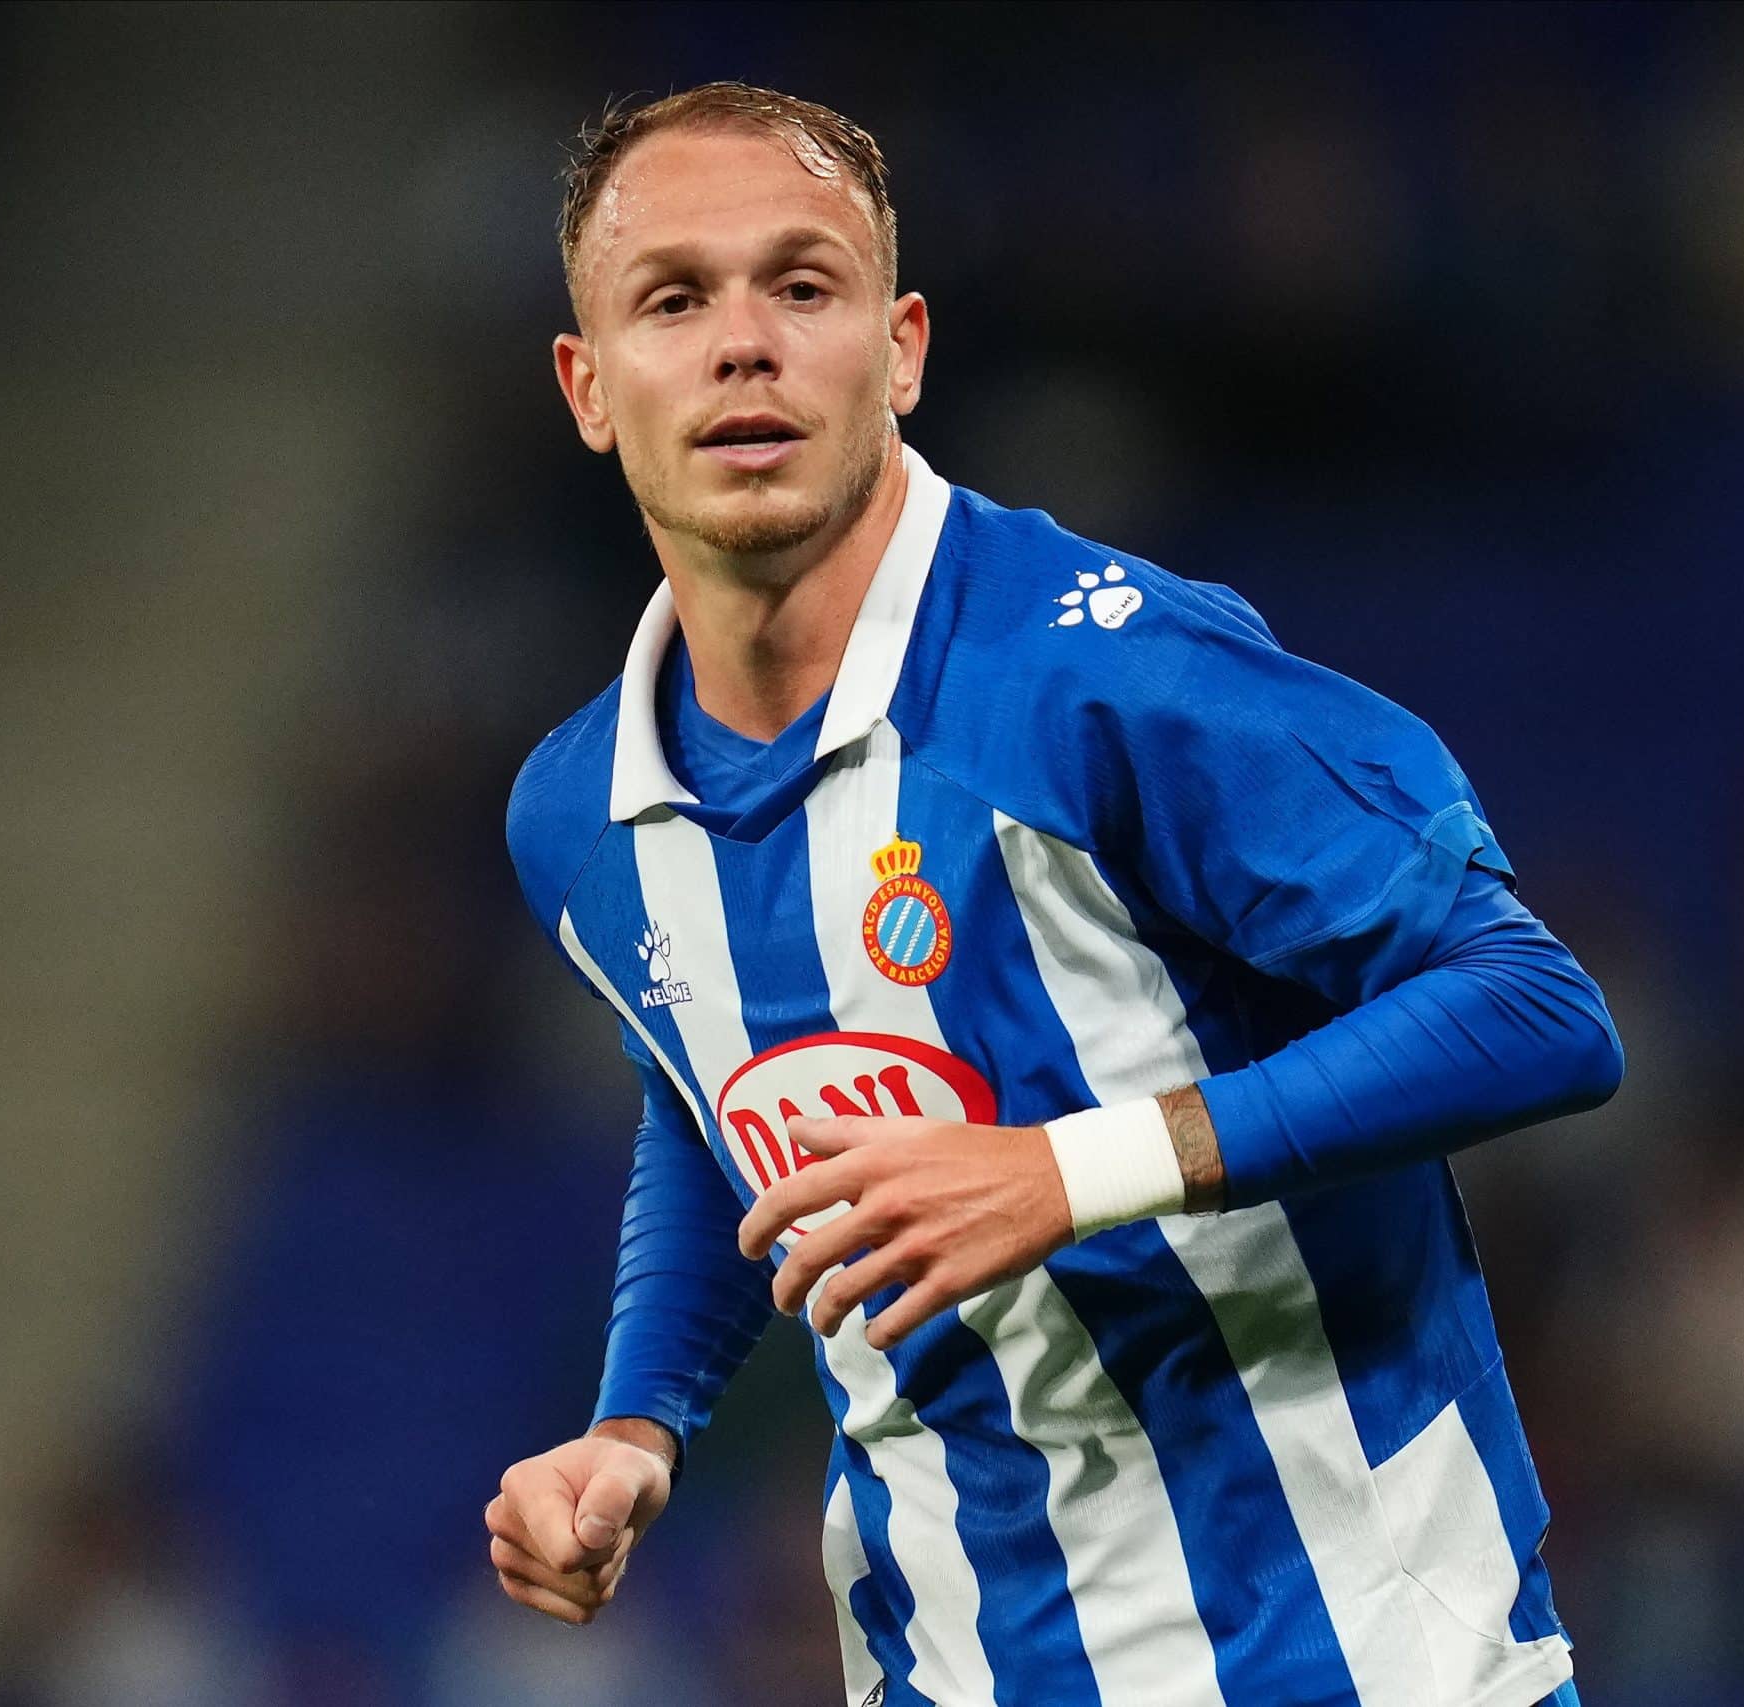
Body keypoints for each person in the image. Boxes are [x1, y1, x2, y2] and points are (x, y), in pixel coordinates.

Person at [490, 81, 1623, 1707]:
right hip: (954, 1667)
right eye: (675, 299)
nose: (746, 343)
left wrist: (1065, 1170)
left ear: (903, 352)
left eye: (804, 287)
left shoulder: (1112, 682)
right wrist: (635, 1420)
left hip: (1356, 1663)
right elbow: (717, 1100)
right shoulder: (581, 814)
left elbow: (1536, 1009)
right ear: (590, 387)